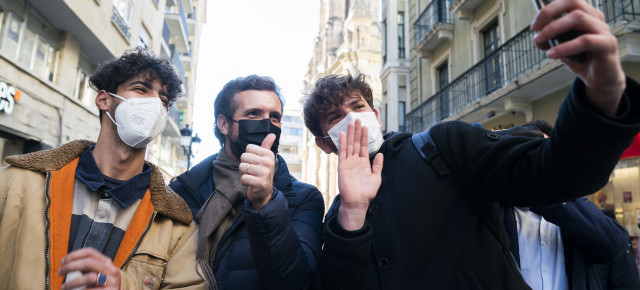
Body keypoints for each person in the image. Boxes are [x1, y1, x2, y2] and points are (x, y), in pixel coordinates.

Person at [302, 0, 640, 288]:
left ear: (376, 114)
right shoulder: (337, 217)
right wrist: (353, 213)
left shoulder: (442, 148)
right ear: (324, 143)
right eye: (335, 117)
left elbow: (555, 173)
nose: (352, 118)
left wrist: (603, 93)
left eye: (357, 106)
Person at [0, 48, 204, 289]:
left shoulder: (177, 227)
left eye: (163, 100)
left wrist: (122, 286)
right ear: (104, 100)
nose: (155, 105)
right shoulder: (16, 184)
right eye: (141, 89)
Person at [170, 75, 324, 289]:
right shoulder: (181, 192)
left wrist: (267, 204)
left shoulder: (304, 198)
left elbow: (296, 283)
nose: (267, 124)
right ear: (223, 124)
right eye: (253, 114)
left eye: (275, 117)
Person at [499, 121, 630, 290]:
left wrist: (550, 194)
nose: (537, 161)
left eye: (544, 152)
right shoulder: (495, 209)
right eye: (530, 153)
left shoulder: (571, 207)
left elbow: (614, 242)